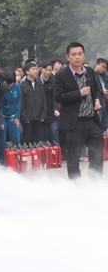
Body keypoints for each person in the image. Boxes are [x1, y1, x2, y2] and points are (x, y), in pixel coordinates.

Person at [54, 42, 104, 179]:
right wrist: (79, 93)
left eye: (80, 54)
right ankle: (76, 187)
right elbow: (58, 97)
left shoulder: (90, 72)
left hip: (92, 120)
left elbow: (97, 91)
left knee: (97, 155)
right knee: (74, 157)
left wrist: (97, 101)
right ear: (67, 57)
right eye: (74, 54)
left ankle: (95, 184)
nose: (77, 57)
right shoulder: (61, 75)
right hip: (74, 123)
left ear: (84, 55)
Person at [0, 69, 21, 164]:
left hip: (12, 116)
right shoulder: (0, 89)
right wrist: (0, 120)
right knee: (2, 139)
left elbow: (18, 102)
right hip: (2, 116)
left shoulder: (17, 87)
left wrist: (17, 117)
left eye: (11, 84)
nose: (9, 86)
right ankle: (1, 161)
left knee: (16, 138)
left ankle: (17, 159)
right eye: (8, 84)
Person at [20, 62, 46, 144]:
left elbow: (43, 100)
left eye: (36, 69)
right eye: (33, 69)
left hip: (39, 117)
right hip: (27, 118)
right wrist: (24, 117)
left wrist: (43, 114)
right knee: (27, 140)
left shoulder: (39, 84)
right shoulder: (22, 85)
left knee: (38, 140)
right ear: (27, 72)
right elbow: (21, 103)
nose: (36, 71)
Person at [40, 61, 59, 142]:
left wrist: (55, 109)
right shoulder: (37, 80)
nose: (48, 72)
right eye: (46, 70)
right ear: (42, 69)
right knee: (42, 135)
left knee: (53, 132)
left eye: (50, 70)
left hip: (51, 111)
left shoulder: (54, 80)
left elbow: (55, 97)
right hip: (40, 112)